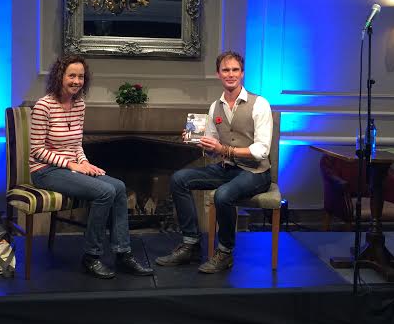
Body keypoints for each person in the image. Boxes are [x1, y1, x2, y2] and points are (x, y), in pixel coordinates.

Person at [29, 55, 153, 279]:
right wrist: (72, 164)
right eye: (72, 76)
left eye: (81, 77)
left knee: (119, 187)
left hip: (71, 167)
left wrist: (84, 162)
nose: (77, 81)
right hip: (45, 171)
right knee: (104, 191)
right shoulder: (43, 106)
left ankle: (122, 253)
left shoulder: (79, 105)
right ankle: (91, 257)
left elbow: (76, 144)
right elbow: (37, 150)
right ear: (60, 76)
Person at [155, 50, 273, 273]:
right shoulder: (214, 107)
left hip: (255, 173)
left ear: (242, 73)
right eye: (225, 70)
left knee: (223, 195)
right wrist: (200, 142)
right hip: (227, 168)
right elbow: (213, 150)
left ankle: (225, 252)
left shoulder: (259, 104)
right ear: (218, 74)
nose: (230, 74)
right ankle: (191, 244)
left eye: (235, 70)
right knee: (179, 179)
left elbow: (261, 151)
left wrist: (223, 150)